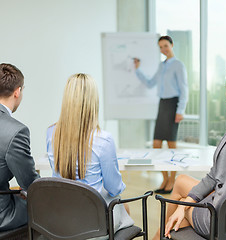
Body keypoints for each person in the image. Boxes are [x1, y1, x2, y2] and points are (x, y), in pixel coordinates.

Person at [152, 64, 226, 239]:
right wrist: (185, 204)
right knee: (181, 185)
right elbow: (214, 175)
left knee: (176, 212)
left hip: (223, 217)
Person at [46, 73, 134, 235]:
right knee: (123, 206)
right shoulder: (103, 139)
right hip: (92, 222)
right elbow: (114, 188)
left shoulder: (51, 133)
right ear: (93, 101)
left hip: (60, 217)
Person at [134, 35, 188, 194]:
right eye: (161, 47)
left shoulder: (178, 65)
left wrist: (180, 110)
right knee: (156, 145)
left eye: (165, 46)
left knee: (172, 146)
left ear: (172, 45)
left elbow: (184, 89)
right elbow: (150, 83)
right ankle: (165, 178)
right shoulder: (161, 65)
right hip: (162, 104)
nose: (163, 49)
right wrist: (138, 70)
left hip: (173, 105)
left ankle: (172, 180)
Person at [0, 63, 39, 231]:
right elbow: (30, 184)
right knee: (48, 209)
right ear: (17, 92)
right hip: (3, 215)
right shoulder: (15, 131)